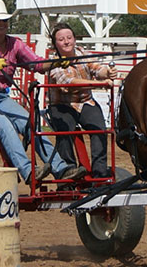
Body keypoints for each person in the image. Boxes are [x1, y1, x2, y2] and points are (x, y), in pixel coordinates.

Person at [0, 0, 87, 184]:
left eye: (4, 20)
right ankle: (28, 171)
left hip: (1, 96)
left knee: (30, 124)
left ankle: (61, 169)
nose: (1, 24)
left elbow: (35, 63)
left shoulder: (15, 44)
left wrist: (55, 63)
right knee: (3, 124)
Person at [47, 22, 117, 179]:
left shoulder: (82, 54)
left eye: (69, 38)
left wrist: (107, 73)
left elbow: (97, 69)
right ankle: (68, 172)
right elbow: (68, 82)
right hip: (62, 105)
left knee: (99, 129)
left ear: (74, 39)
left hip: (85, 101)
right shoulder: (52, 63)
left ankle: (99, 173)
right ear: (55, 44)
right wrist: (99, 83)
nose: (66, 42)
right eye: (61, 39)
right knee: (65, 131)